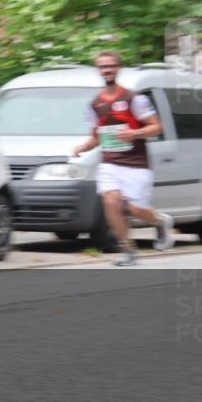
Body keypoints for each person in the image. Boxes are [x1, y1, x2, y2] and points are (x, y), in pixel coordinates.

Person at [73, 51, 175, 266]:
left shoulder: (134, 99)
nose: (107, 70)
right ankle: (128, 250)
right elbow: (97, 136)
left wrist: (135, 133)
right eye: (102, 67)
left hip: (136, 164)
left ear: (118, 68)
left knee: (135, 209)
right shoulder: (95, 104)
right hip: (110, 162)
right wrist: (84, 146)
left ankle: (160, 222)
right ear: (98, 70)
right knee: (111, 201)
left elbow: (157, 127)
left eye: (110, 66)